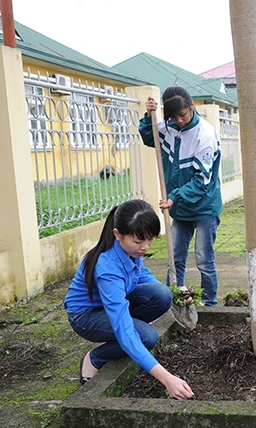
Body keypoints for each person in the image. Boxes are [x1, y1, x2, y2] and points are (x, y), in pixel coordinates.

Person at [64, 199, 194, 400]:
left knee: (163, 295)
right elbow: (122, 327)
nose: (145, 247)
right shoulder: (107, 268)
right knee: (146, 337)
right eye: (138, 241)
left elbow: (141, 275)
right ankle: (95, 358)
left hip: (110, 306)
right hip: (86, 317)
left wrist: (177, 295)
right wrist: (167, 378)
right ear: (117, 234)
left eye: (150, 240)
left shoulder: (130, 249)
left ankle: (137, 328)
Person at [139, 86, 222, 306]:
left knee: (204, 259)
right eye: (173, 117)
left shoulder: (205, 135)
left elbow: (201, 180)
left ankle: (210, 303)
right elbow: (149, 138)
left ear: (192, 106)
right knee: (175, 259)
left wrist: (174, 196)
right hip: (180, 208)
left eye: (182, 115)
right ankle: (174, 299)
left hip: (204, 207)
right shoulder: (168, 127)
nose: (179, 121)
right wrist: (149, 116)